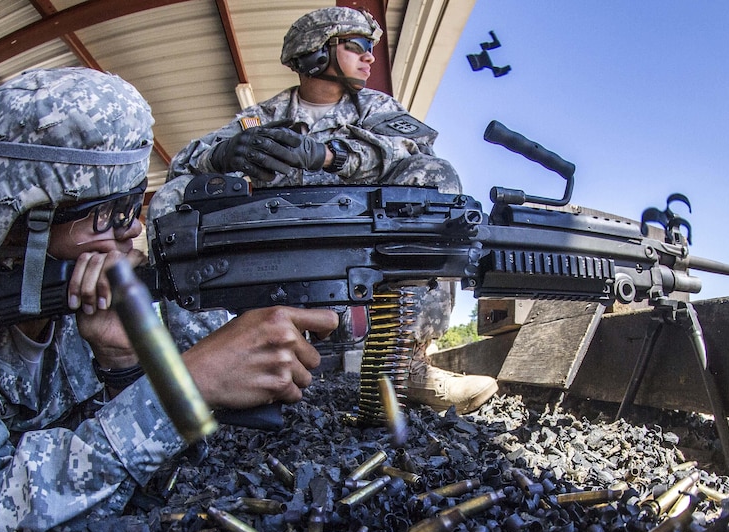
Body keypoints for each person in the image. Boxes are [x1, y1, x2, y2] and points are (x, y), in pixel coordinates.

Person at [0, 67, 337, 532]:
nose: (133, 230)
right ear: (26, 223)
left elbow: (145, 479)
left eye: (135, 205)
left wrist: (124, 366)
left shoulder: (84, 292)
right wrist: (184, 387)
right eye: (114, 211)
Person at [149, 6, 497, 415]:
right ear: (315, 53)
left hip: (364, 244)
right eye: (359, 46)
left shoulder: (376, 108)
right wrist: (221, 156)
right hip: (280, 252)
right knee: (173, 199)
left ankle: (406, 365)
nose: (370, 56)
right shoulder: (262, 119)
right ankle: (209, 373)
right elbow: (183, 165)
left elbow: (413, 151)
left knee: (435, 178)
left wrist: (331, 156)